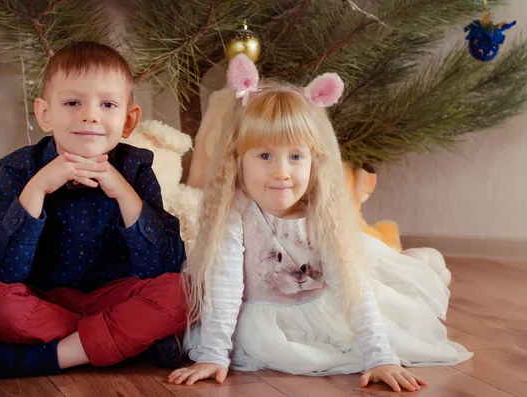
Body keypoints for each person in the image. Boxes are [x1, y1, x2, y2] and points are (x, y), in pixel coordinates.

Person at [168, 54, 472, 392]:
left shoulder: (322, 213)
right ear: (238, 160)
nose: (282, 171)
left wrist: (379, 355)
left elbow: (353, 289)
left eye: (296, 157)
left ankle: (415, 266)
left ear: (315, 160)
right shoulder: (235, 214)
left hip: (329, 308)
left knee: (383, 290)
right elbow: (225, 287)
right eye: (265, 155)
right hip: (267, 318)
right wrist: (214, 354)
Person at [0, 41, 187, 381]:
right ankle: (128, 344)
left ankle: (45, 358)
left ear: (128, 120)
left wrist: (122, 190)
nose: (90, 115)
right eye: (73, 102)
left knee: (184, 292)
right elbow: (1, 270)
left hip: (116, 297)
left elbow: (163, 265)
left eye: (107, 104)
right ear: (46, 114)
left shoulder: (136, 168)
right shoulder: (19, 169)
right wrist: (39, 187)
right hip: (42, 300)